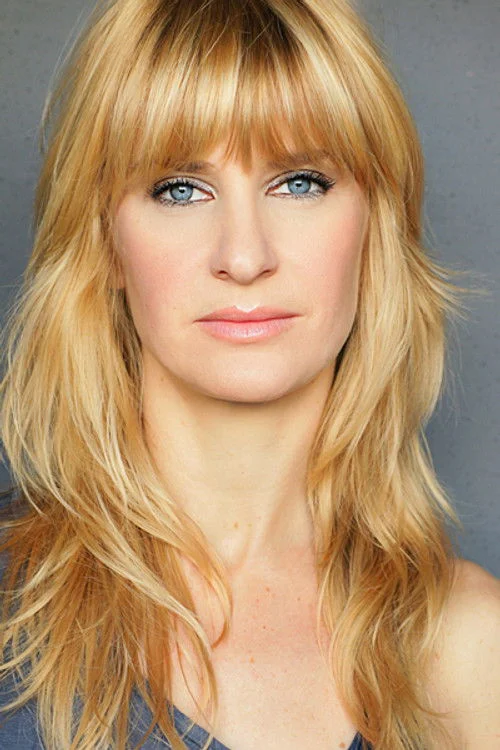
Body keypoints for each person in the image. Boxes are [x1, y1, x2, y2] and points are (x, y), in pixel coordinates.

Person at [1, 0, 499, 748]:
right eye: (179, 188)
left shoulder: (470, 646)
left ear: (376, 227)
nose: (243, 256)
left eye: (300, 182)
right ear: (105, 240)